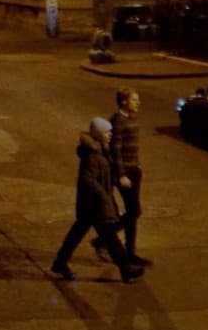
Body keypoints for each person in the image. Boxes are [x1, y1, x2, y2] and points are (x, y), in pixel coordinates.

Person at [51, 117, 144, 283]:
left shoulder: (100, 150)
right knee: (110, 237)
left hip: (91, 204)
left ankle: (60, 262)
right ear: (98, 134)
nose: (110, 134)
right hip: (95, 204)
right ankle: (125, 269)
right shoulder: (92, 155)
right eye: (107, 132)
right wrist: (103, 195)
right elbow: (87, 179)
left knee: (77, 234)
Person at [109, 87, 151, 267]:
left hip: (134, 170)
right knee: (134, 211)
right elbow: (116, 149)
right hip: (125, 173)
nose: (138, 103)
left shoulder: (132, 118)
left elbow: (131, 145)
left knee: (133, 212)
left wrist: (137, 164)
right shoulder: (118, 121)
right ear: (124, 102)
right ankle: (107, 239)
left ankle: (127, 250)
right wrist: (121, 174)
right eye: (134, 100)